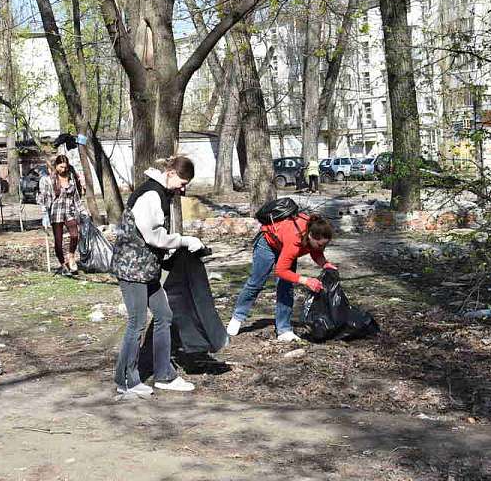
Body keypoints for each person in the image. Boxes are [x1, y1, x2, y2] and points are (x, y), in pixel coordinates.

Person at [111, 155, 204, 397]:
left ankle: (164, 375)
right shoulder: (151, 194)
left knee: (164, 315)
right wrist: (183, 240)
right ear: (170, 173)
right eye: (182, 182)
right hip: (132, 269)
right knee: (137, 323)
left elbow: (155, 236)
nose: (183, 188)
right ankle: (125, 380)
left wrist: (173, 249)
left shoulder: (162, 193)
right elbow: (153, 236)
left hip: (146, 268)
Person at [226, 212, 336, 342]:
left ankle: (284, 329)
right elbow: (281, 271)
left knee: (286, 286)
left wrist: (325, 264)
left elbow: (315, 252)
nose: (322, 248)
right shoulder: (295, 240)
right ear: (311, 235)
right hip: (268, 243)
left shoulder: (315, 233)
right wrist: (306, 281)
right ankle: (238, 317)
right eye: (320, 245)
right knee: (256, 283)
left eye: (324, 245)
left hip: (285, 245)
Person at [37, 154, 86, 273]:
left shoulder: (71, 178)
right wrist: (44, 212)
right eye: (61, 167)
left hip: (70, 211)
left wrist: (83, 211)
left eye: (65, 167)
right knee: (58, 241)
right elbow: (42, 197)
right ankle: (63, 264)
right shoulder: (49, 180)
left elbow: (76, 198)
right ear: (56, 166)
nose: (63, 169)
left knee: (75, 235)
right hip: (56, 212)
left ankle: (71, 256)